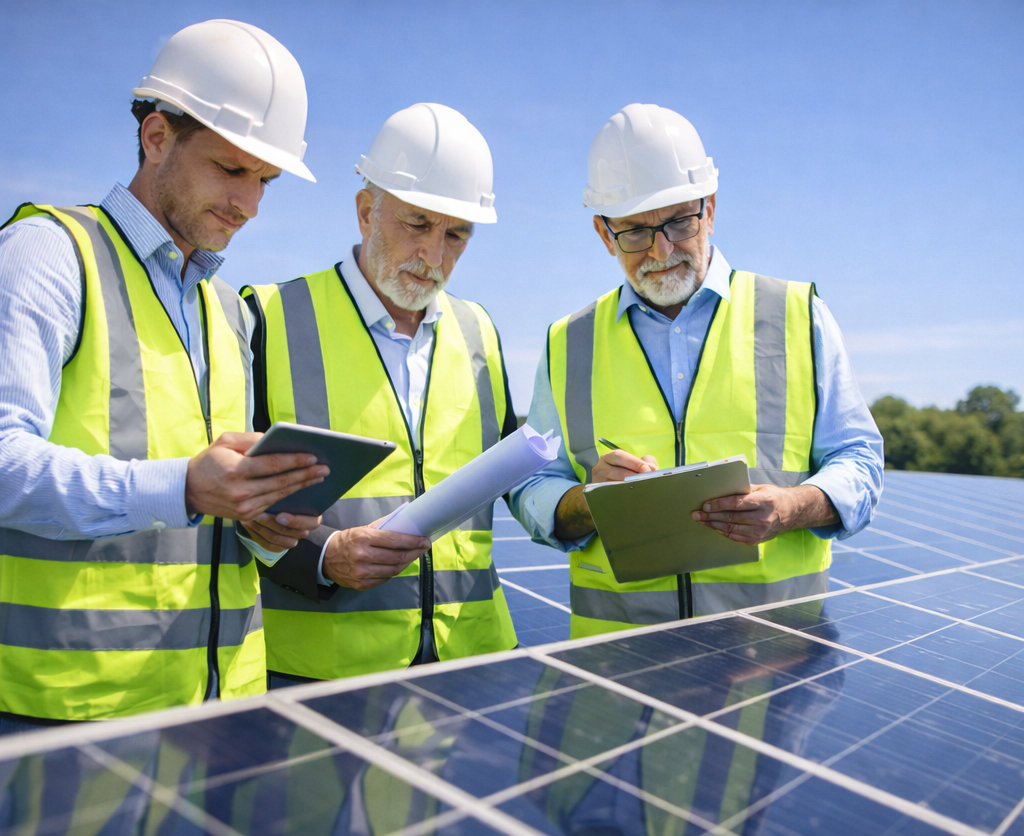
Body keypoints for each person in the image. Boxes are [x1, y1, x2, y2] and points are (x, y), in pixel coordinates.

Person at [0, 20, 325, 728]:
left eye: (265, 180)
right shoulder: (47, 255)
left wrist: (260, 522)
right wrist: (180, 486)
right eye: (231, 170)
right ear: (156, 138)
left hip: (221, 711)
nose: (250, 205)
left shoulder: (225, 312)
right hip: (69, 714)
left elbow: (213, 498)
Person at [510, 103, 884, 638]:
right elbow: (533, 486)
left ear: (709, 209)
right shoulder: (569, 341)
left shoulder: (795, 315)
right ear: (602, 232)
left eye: (678, 222)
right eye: (634, 232)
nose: (661, 251)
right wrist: (587, 502)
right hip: (616, 670)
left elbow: (860, 460)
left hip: (771, 665)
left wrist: (794, 508)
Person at [245, 102, 518, 685]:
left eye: (457, 235)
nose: (434, 256)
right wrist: (322, 555)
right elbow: (228, 502)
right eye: (417, 224)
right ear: (367, 211)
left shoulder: (481, 333)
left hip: (470, 661)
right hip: (318, 672)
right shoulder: (268, 317)